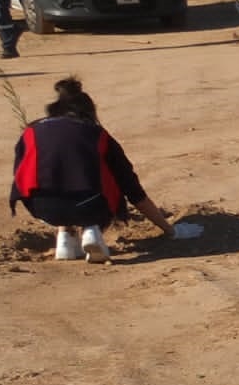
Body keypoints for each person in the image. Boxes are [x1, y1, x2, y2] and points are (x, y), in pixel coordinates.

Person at [10, 77, 178, 261]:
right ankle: (91, 229)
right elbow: (133, 191)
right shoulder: (97, 134)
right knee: (96, 183)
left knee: (57, 177)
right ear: (88, 112)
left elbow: (21, 174)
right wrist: (169, 229)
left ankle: (65, 239)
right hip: (90, 207)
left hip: (42, 207)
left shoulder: (30, 132)